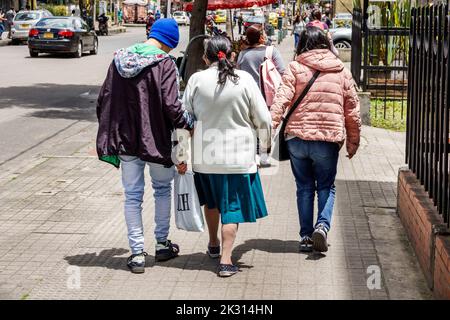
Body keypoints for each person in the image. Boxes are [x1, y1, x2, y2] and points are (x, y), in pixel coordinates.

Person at [96, 18, 194, 274]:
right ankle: (162, 244)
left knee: (132, 196)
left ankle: (137, 253)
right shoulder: (165, 64)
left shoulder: (118, 60)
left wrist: (112, 131)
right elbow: (173, 106)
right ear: (169, 42)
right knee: (162, 189)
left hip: (126, 140)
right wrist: (187, 124)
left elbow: (103, 99)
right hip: (157, 140)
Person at [182, 36, 271, 277]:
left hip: (204, 158)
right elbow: (263, 119)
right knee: (231, 208)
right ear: (232, 55)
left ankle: (213, 243)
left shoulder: (196, 80)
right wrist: (265, 147)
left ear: (205, 57)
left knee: (211, 202)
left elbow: (183, 121)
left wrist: (180, 154)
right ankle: (225, 259)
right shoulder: (245, 80)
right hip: (238, 159)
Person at [270, 27, 361, 253]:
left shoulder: (294, 67)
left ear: (302, 45)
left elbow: (280, 101)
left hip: (297, 139)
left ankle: (305, 237)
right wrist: (353, 142)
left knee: (304, 187)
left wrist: (268, 131)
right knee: (327, 186)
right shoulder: (341, 71)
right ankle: (322, 225)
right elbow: (352, 111)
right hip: (327, 140)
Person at [236, 24, 285, 167]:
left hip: (247, 96)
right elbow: (282, 71)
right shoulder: (271, 51)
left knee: (251, 124)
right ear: (261, 37)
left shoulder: (242, 55)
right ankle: (264, 154)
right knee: (265, 124)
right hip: (267, 95)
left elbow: (238, 72)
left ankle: (255, 154)